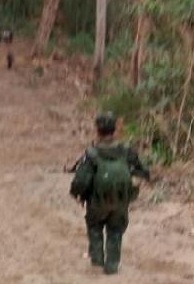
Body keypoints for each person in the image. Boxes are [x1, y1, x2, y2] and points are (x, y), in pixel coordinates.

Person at [68, 112, 151, 275]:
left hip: (97, 201)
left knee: (94, 226)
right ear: (115, 130)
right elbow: (143, 172)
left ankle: (97, 261)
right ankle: (112, 265)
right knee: (115, 230)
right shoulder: (126, 151)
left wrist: (76, 194)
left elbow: (81, 181)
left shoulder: (91, 153)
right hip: (120, 200)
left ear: (97, 130)